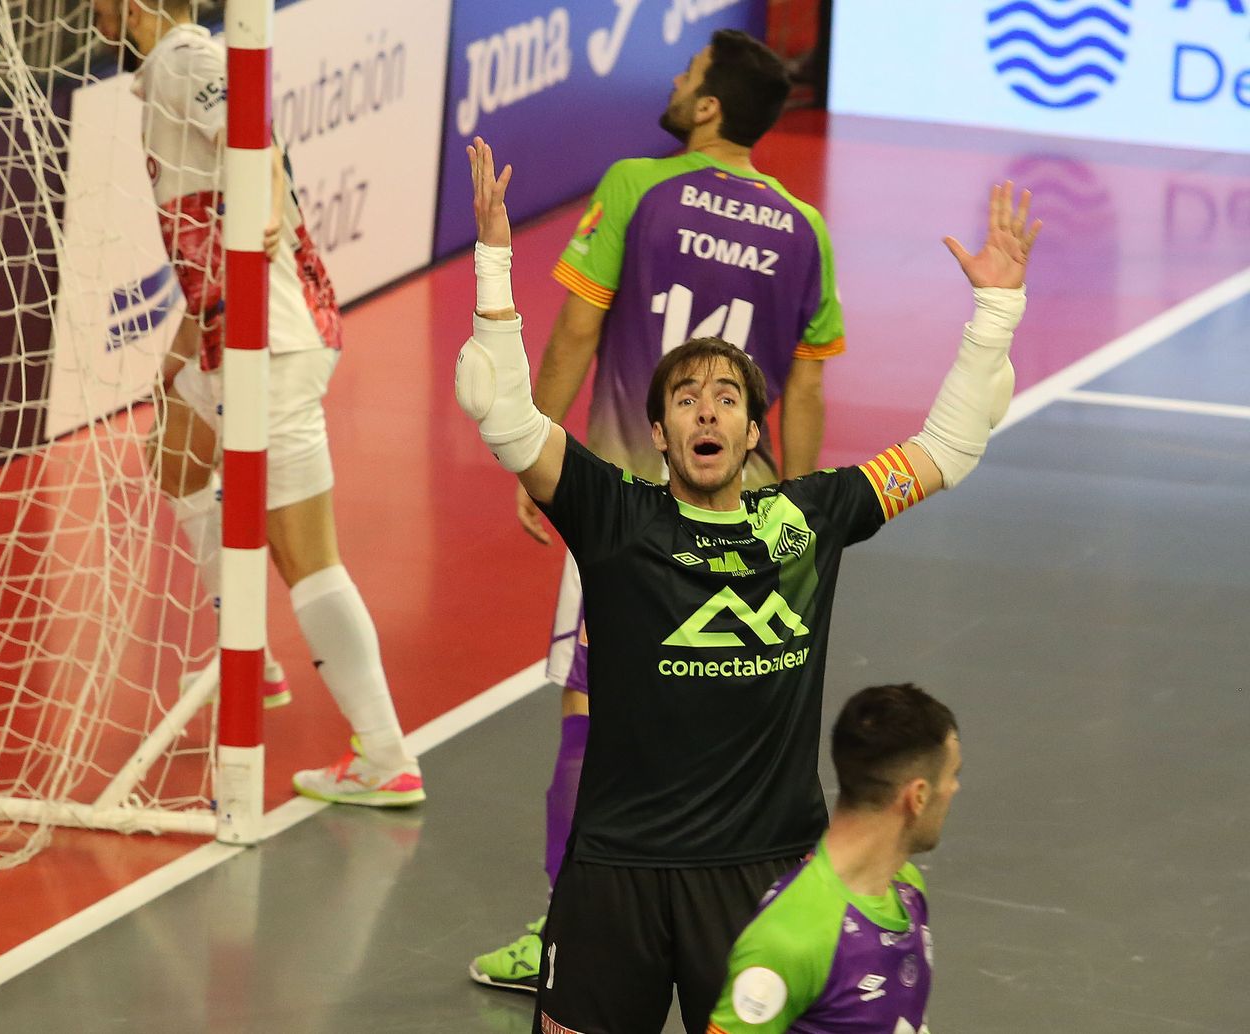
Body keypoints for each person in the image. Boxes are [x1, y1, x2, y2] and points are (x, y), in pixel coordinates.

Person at [455, 136, 1036, 1032]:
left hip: (761, 874)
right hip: (616, 872)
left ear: (753, 428)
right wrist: (495, 264)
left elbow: (948, 449)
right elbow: (501, 409)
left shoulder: (808, 520)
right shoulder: (616, 517)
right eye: (685, 399)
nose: (707, 410)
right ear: (658, 432)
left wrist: (994, 313)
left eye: (726, 396)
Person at [474, 29, 847, 991]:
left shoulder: (640, 186)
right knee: (726, 710)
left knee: (590, 710)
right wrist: (797, 519)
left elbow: (580, 323)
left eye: (686, 79)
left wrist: (540, 456)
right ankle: (751, 922)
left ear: (712, 106)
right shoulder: (805, 228)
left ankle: (566, 925)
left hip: (631, 507)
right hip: (748, 517)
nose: (676, 88)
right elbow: (801, 394)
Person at [121, 0, 422, 805]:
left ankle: (385, 754)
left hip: (273, 341)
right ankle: (246, 658)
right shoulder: (167, 72)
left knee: (305, 556)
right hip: (233, 333)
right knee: (176, 450)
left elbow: (253, 136)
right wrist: (184, 347)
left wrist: (262, 222)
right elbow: (213, 215)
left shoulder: (188, 58)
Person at [705, 682, 959, 1034]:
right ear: (917, 796)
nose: (954, 790)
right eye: (951, 776)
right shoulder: (790, 937)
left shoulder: (906, 888)